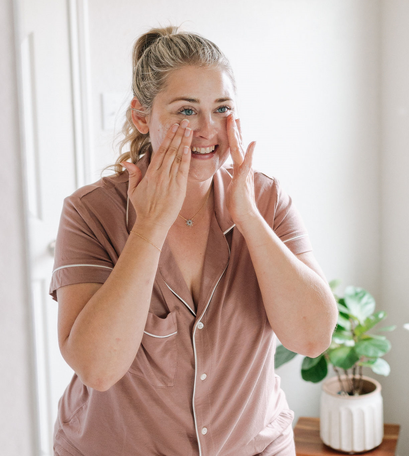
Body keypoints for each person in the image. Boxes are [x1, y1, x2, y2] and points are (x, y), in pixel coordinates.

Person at [49, 26, 337, 456]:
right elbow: (98, 368)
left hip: (254, 445)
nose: (208, 130)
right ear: (142, 117)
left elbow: (313, 338)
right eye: (186, 111)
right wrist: (148, 228)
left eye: (221, 108)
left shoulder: (267, 199)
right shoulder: (90, 213)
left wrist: (250, 221)